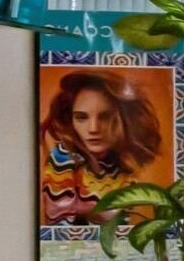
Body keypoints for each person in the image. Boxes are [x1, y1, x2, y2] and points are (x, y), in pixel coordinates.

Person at [38, 68, 168, 227]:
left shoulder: (123, 163)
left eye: (105, 117)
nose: (93, 128)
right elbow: (58, 232)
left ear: (124, 119)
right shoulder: (63, 159)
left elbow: (121, 228)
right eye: (81, 118)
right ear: (71, 120)